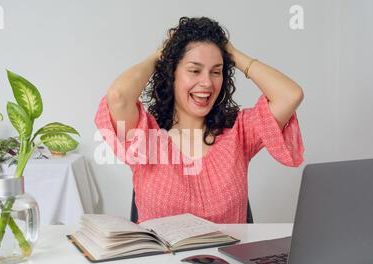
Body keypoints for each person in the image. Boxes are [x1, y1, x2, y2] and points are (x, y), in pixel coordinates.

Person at [95, 16, 304, 224]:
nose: (206, 83)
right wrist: (160, 55)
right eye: (194, 70)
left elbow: (290, 95)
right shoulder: (145, 138)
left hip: (225, 257)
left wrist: (233, 54)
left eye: (216, 72)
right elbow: (118, 96)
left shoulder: (239, 133)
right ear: (172, 74)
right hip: (161, 258)